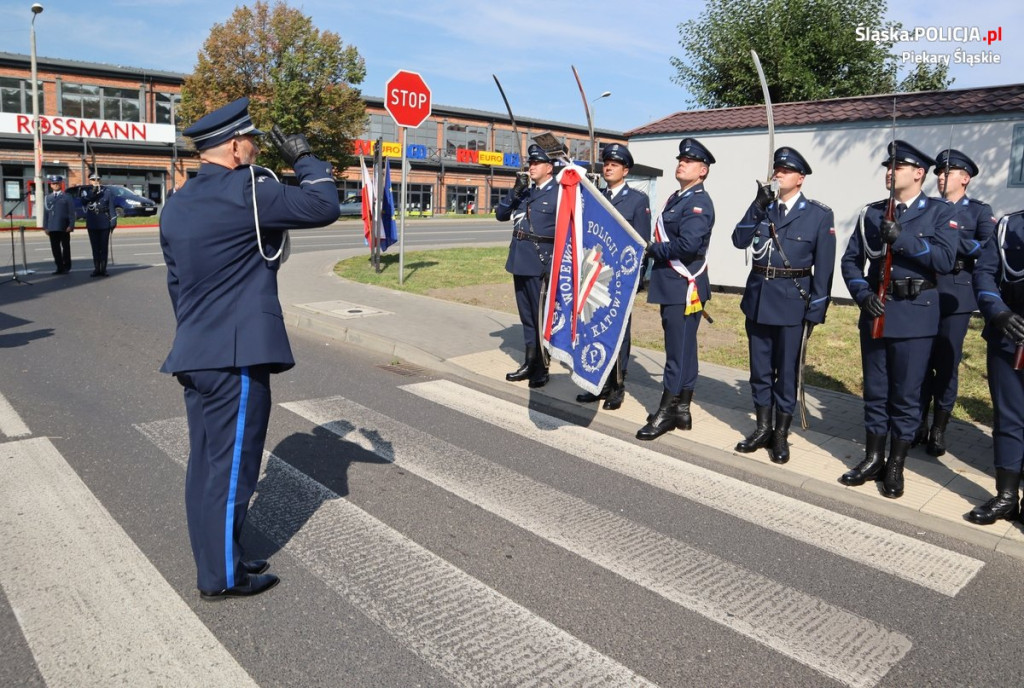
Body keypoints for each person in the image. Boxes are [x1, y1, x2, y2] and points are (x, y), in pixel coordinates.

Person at [159, 97, 340, 601]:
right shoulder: (251, 191)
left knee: (206, 465)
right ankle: (222, 577)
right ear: (236, 146)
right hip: (234, 355)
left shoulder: (178, 202)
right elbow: (324, 206)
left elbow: (178, 284)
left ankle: (224, 554)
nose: (256, 147)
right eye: (252, 141)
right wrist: (305, 159)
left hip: (197, 349)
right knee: (231, 468)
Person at [839, 140, 957, 499]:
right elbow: (850, 262)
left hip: (915, 315)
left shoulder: (938, 212)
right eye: (888, 167)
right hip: (877, 311)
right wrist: (862, 295)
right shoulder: (872, 213)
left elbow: (946, 260)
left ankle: (895, 464)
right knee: (875, 391)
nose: (890, 172)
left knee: (906, 395)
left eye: (899, 167)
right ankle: (873, 457)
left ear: (919, 173)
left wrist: (903, 238)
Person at [731, 147, 836, 463]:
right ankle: (762, 428)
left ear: (800, 178)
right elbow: (738, 240)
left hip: (793, 305)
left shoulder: (818, 215)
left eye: (786, 170)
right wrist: (755, 206)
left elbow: (825, 268)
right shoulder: (764, 208)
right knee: (760, 370)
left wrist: (816, 311)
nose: (779, 173)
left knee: (786, 373)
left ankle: (780, 435)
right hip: (759, 301)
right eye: (777, 168)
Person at [913, 149, 995, 456]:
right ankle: (918, 422)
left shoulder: (978, 211)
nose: (940, 178)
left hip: (956, 295)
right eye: (937, 174)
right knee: (921, 360)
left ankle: (939, 428)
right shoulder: (926, 207)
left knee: (946, 363)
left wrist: (949, 238)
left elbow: (987, 249)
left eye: (947, 174)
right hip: (925, 290)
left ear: (965, 178)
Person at [636, 138, 715, 441]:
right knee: (685, 349)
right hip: (676, 286)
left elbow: (688, 245)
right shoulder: (677, 197)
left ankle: (666, 412)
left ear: (702, 170)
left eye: (689, 161)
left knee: (676, 353)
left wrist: (653, 249)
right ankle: (682, 409)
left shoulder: (698, 202)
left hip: (683, 286)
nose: (681, 163)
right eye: (680, 159)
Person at [575, 143, 651, 410]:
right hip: (594, 277)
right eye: (606, 163)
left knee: (619, 333)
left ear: (625, 170)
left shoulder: (637, 200)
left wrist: (636, 281)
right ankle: (599, 383)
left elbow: (643, 243)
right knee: (595, 328)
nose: (608, 167)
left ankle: (617, 385)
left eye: (614, 164)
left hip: (620, 280)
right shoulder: (596, 197)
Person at [968, 210, 1024, 524]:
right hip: (1010, 334)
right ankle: (1006, 497)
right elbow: (984, 273)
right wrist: (997, 312)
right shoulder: (1008, 225)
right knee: (1008, 418)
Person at [496, 144, 558, 389]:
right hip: (520, 261)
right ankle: (530, 362)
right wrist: (515, 191)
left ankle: (542, 367)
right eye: (530, 163)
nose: (531, 167)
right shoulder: (525, 192)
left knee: (541, 318)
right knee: (527, 318)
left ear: (549, 168)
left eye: (536, 163)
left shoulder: (559, 192)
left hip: (541, 263)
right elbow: (500, 215)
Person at [81, 172, 117, 277]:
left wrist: (113, 221)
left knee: (103, 247)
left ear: (100, 180)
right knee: (95, 247)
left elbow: (111, 207)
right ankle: (96, 268)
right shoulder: (86, 191)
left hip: (104, 222)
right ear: (89, 181)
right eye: (93, 180)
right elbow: (84, 202)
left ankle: (103, 269)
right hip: (92, 222)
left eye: (97, 179)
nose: (95, 181)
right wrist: (93, 193)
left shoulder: (107, 192)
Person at [42, 174, 75, 274]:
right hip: (52, 227)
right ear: (50, 185)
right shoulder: (48, 197)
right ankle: (59, 267)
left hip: (64, 226)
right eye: (53, 183)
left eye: (57, 183)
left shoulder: (67, 197)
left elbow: (71, 212)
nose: (55, 185)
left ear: (61, 184)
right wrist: (45, 227)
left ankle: (66, 266)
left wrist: (71, 225)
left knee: (66, 248)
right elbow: (46, 213)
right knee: (55, 249)